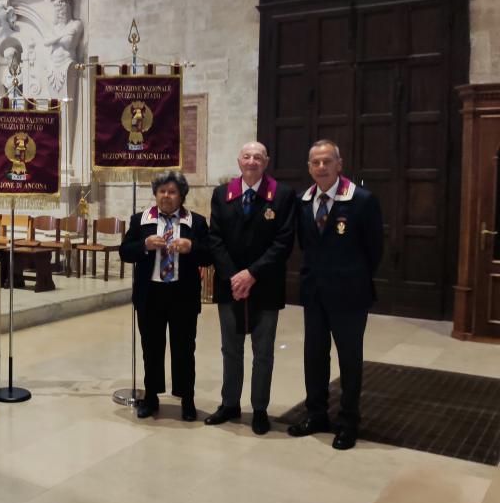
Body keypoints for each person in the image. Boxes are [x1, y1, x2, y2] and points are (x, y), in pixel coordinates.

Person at [288, 140, 383, 450]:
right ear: (309, 168)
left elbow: (374, 250)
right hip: (315, 294)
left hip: (350, 295)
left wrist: (349, 276)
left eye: (327, 161)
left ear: (339, 164)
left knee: (349, 360)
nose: (321, 167)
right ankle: (316, 414)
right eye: (315, 162)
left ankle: (348, 421)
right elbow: (307, 244)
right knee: (314, 357)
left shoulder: (362, 200)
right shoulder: (304, 202)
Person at [205, 142, 296, 435]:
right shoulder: (222, 194)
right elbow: (215, 239)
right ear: (239, 161)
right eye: (247, 156)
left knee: (263, 352)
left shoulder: (282, 195)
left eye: (258, 157)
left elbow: (283, 242)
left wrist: (252, 274)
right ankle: (230, 403)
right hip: (230, 286)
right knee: (230, 349)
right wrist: (234, 276)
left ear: (267, 161)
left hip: (266, 285)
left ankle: (259, 409)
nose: (252, 161)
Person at [120, 170, 212, 420]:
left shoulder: (197, 222)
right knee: (151, 347)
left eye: (172, 192)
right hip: (151, 295)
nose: (166, 196)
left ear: (182, 195)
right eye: (162, 191)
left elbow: (209, 254)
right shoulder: (141, 220)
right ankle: (151, 397)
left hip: (183, 295)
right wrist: (144, 246)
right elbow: (125, 252)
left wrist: (192, 247)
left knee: (184, 348)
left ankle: (187, 399)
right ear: (155, 194)